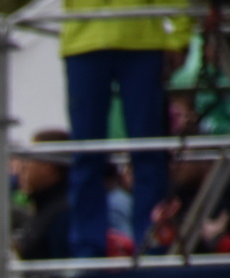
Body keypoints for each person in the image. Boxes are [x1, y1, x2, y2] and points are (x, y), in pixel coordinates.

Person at [61, 0, 189, 256]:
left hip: (139, 40)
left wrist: (178, 36)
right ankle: (89, 249)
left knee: (148, 151)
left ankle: (151, 240)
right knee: (87, 153)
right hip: (87, 40)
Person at [15, 129, 75, 261]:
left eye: (29, 159)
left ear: (49, 166)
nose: (22, 167)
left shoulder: (64, 213)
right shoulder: (46, 207)